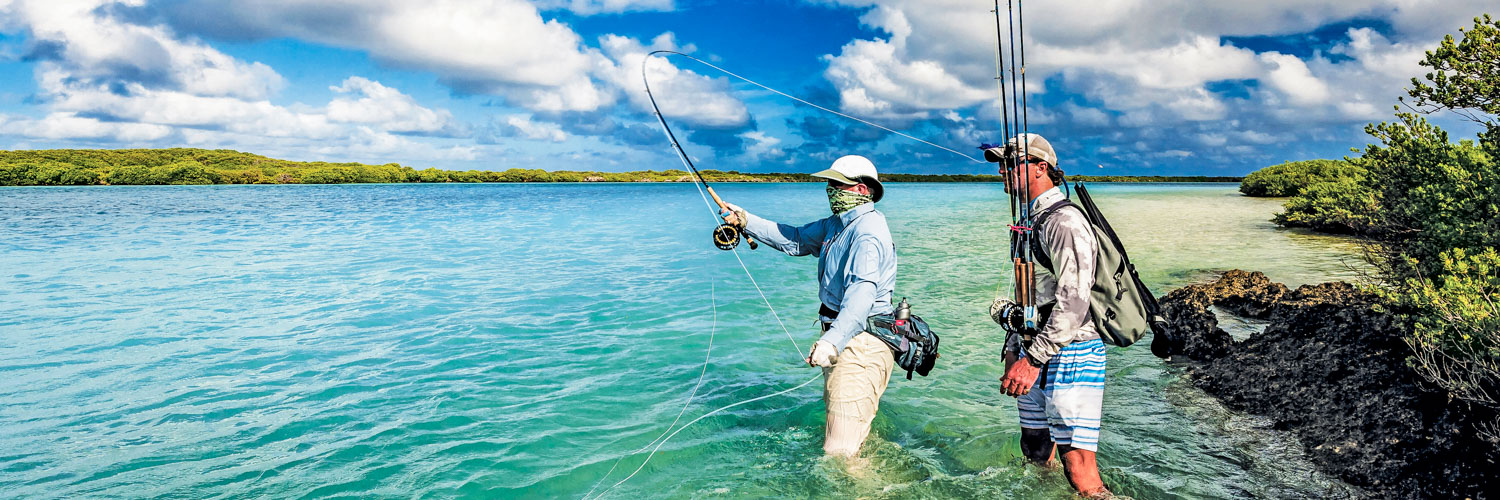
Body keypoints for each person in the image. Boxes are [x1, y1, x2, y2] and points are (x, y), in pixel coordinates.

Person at [719, 155, 899, 457]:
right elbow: (797, 239)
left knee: (839, 454)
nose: (830, 189)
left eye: (838, 184)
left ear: (863, 190)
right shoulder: (836, 225)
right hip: (849, 342)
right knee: (851, 443)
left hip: (859, 345)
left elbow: (861, 295)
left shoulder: (867, 233)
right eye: (829, 183)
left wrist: (831, 342)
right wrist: (746, 220)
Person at [988, 134, 1111, 497]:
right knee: (1036, 448)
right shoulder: (1031, 220)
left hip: (1070, 350)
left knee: (1078, 466)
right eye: (1001, 164)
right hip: (1033, 348)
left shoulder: (1064, 221)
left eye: (1011, 163)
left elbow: (1074, 301)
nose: (1002, 171)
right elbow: (1028, 294)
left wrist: (1034, 360)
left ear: (1041, 168)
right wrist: (1013, 345)